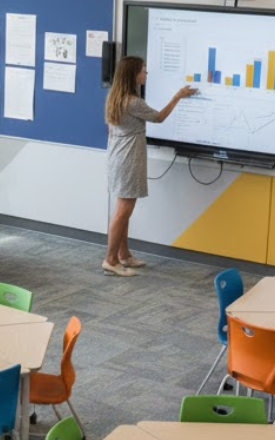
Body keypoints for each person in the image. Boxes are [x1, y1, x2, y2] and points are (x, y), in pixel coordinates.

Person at [104, 56, 197, 277]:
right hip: (129, 159)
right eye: (143, 71)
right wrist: (177, 96)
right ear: (132, 75)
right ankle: (110, 260)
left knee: (122, 210)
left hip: (118, 156)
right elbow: (159, 117)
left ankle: (123, 255)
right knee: (123, 211)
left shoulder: (115, 97)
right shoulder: (133, 102)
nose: (146, 74)